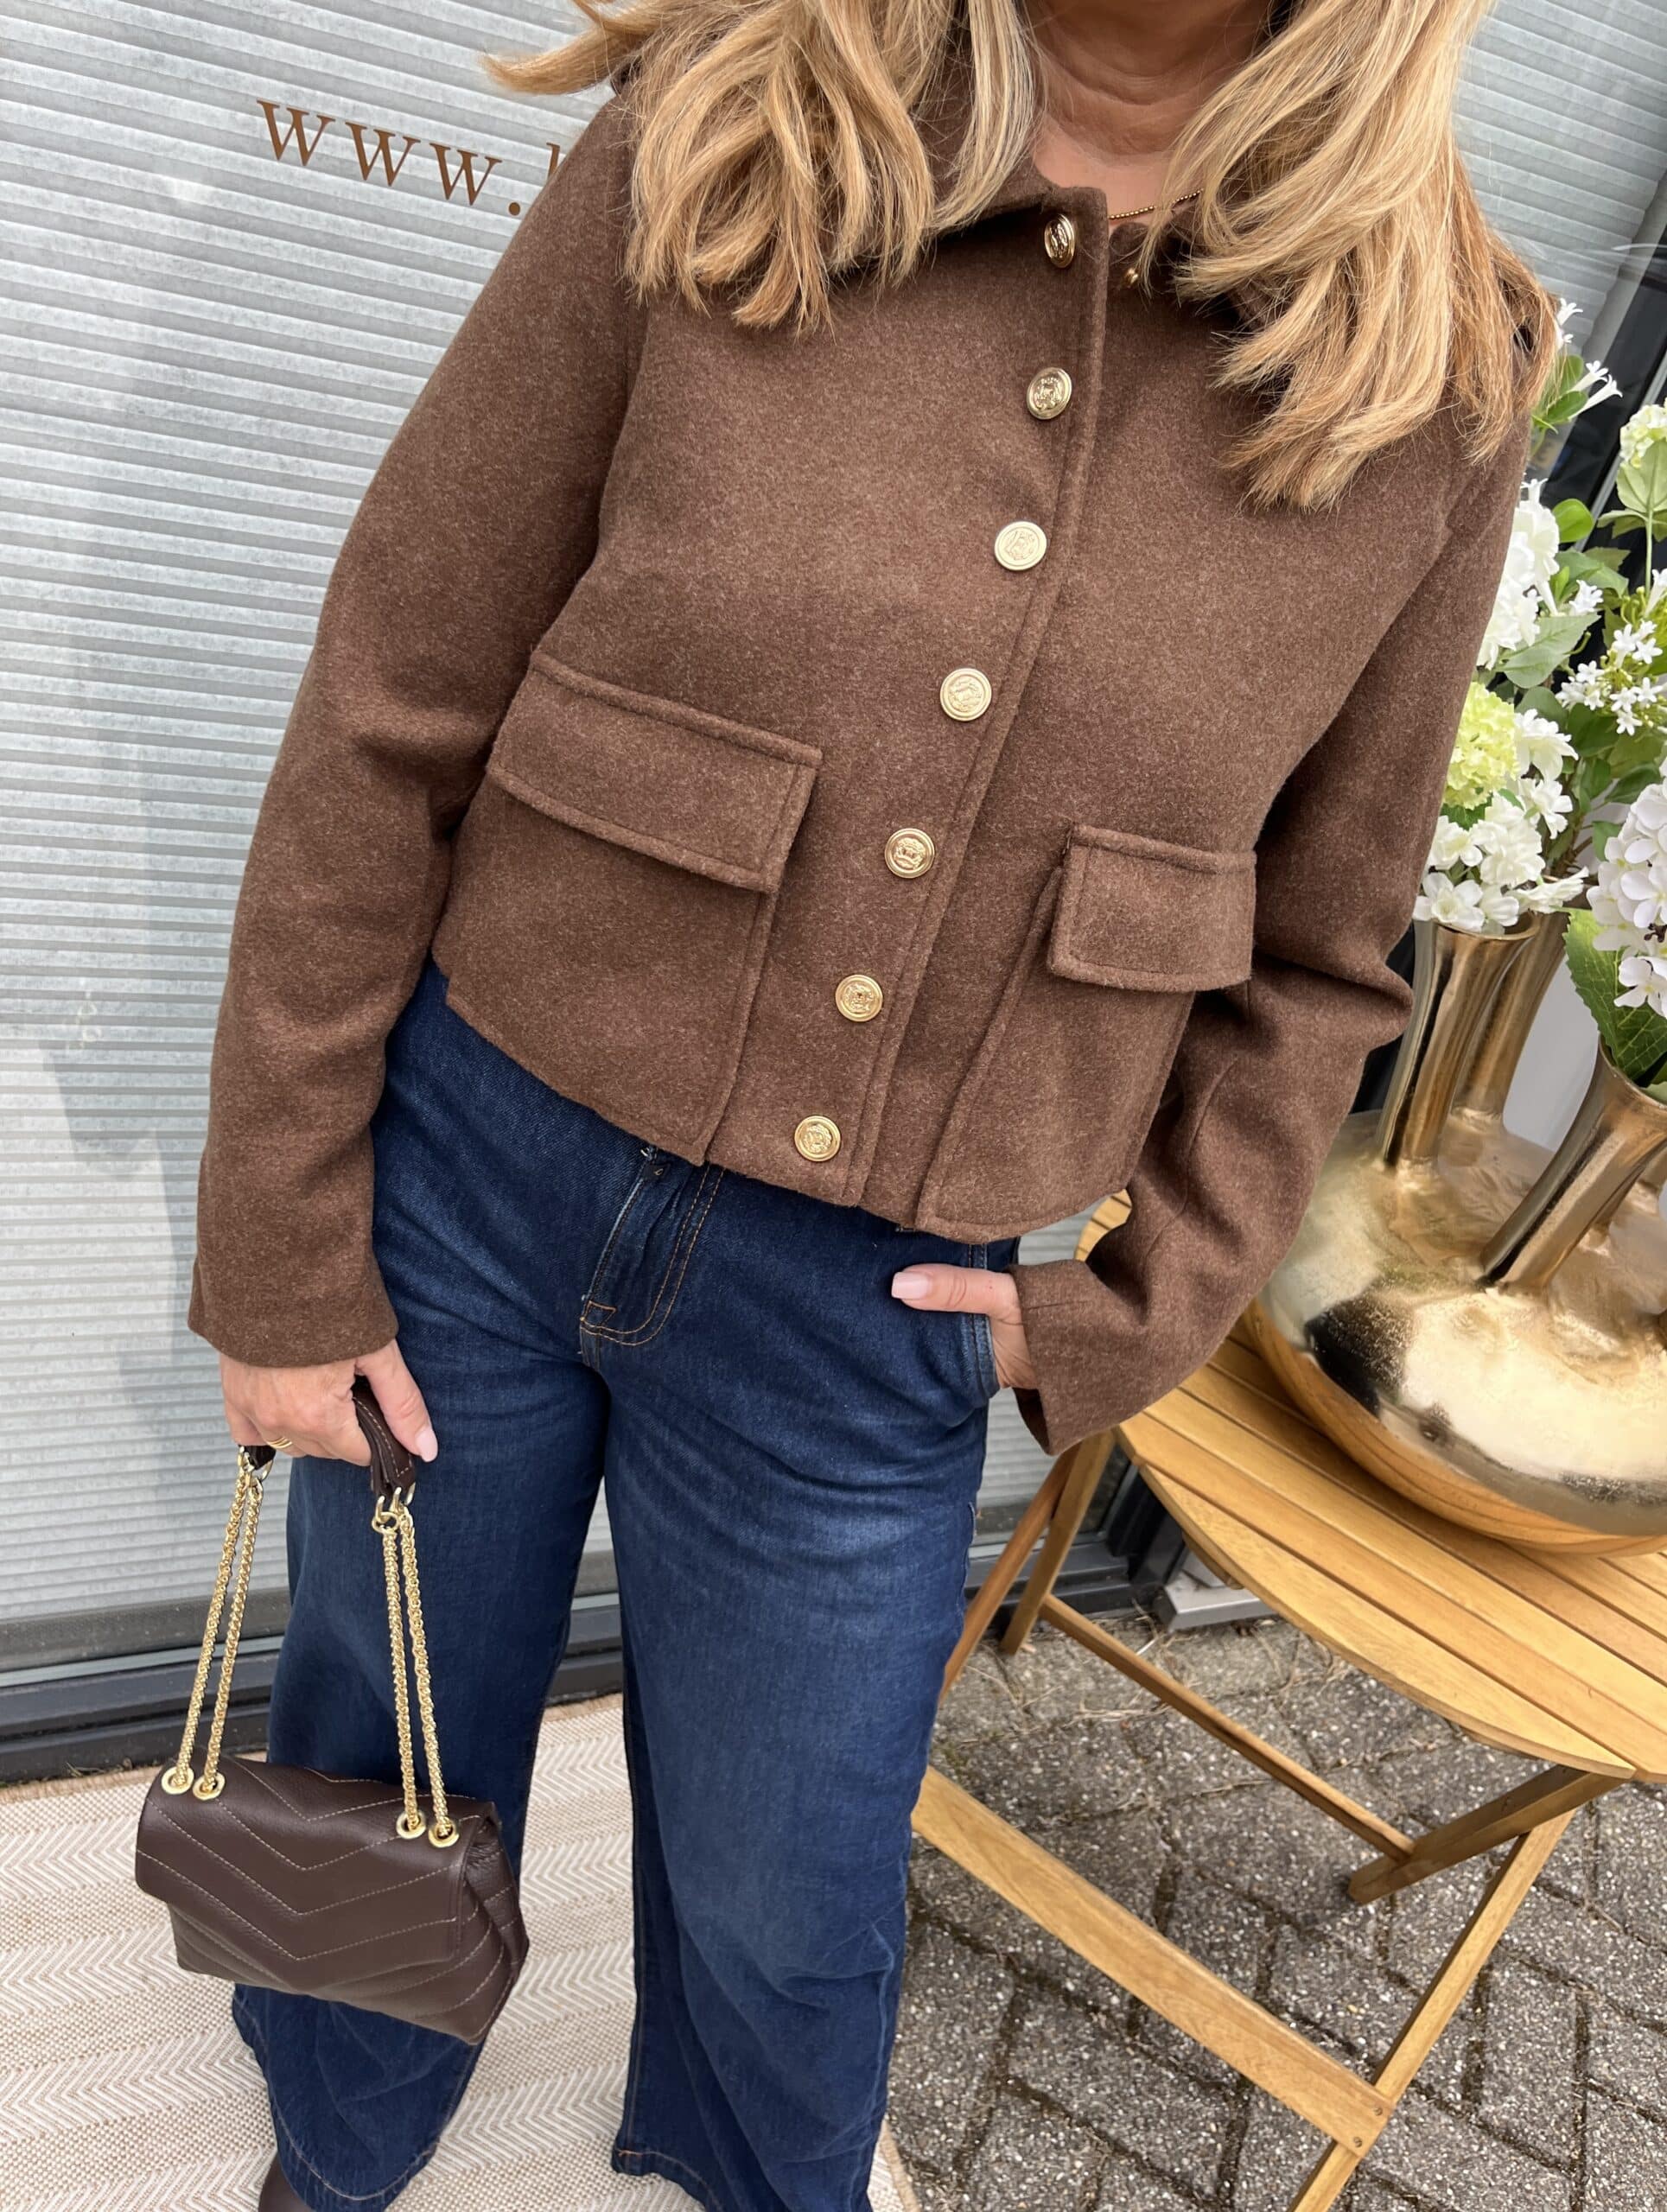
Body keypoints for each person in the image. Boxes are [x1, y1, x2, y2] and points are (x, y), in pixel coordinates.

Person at [187, 1, 1555, 2206]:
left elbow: (1323, 950)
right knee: (379, 1737)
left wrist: (1135, 1305)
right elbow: (390, 693)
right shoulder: (736, 124)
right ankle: (334, 2146)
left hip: (871, 1312)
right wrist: (279, 1235)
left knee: (793, 1880)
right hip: (467, 1177)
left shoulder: (1435, 370)